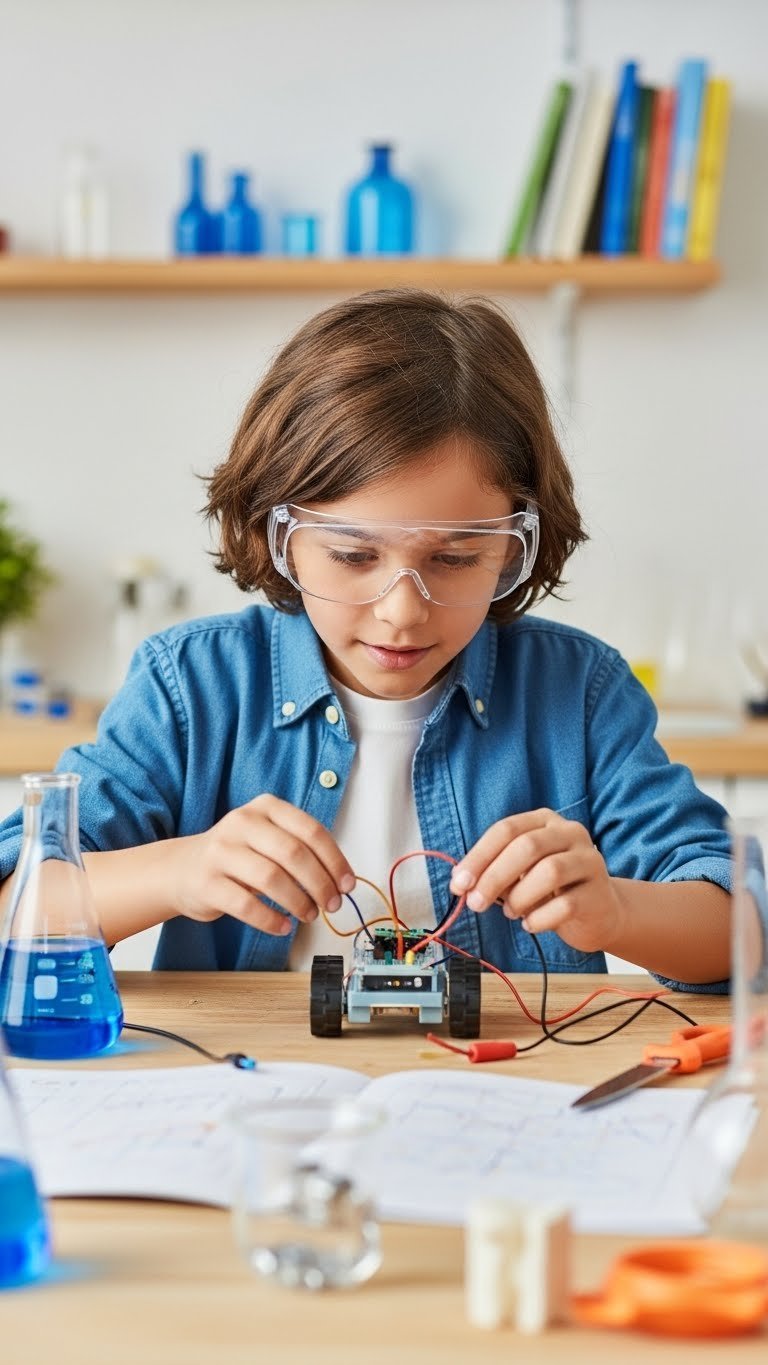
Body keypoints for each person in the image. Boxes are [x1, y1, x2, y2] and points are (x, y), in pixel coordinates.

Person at [0, 289, 737, 990]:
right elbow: (15, 899)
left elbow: (739, 927)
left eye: (454, 559)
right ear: (277, 534)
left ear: (514, 547)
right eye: (353, 557)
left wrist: (614, 909)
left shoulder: (579, 692)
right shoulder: (191, 687)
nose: (401, 613)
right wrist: (177, 872)